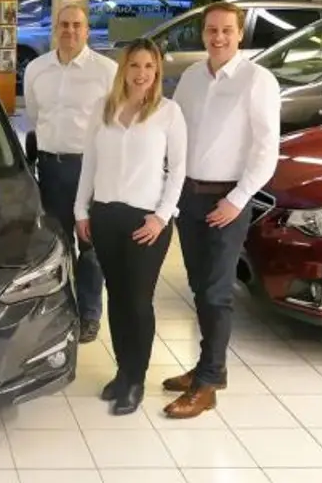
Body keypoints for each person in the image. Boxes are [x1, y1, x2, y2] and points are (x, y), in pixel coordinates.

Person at [164, 1, 280, 419]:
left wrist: (238, 199)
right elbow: (176, 134)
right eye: (212, 30)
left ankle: (209, 382)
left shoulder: (257, 80)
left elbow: (266, 150)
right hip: (189, 198)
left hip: (227, 200)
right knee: (199, 287)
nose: (218, 37)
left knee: (216, 292)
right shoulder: (192, 78)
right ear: (203, 33)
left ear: (240, 34)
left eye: (226, 30)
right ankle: (208, 366)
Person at [74, 38, 187, 415]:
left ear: (157, 71)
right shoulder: (103, 108)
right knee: (117, 299)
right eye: (135, 65)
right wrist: (81, 210)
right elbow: (89, 163)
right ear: (124, 69)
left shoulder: (168, 113)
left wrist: (162, 216)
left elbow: (178, 171)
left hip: (146, 222)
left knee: (138, 302)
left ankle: (136, 379)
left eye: (149, 66)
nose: (142, 73)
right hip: (105, 216)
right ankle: (123, 373)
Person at [24, 3, 117, 343]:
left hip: (90, 168)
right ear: (55, 29)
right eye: (64, 25)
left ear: (87, 30)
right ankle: (62, 309)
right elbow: (35, 115)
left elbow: (115, 122)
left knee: (90, 244)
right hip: (51, 168)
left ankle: (89, 314)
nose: (70, 31)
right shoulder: (36, 69)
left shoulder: (106, 71)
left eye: (77, 25)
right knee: (58, 244)